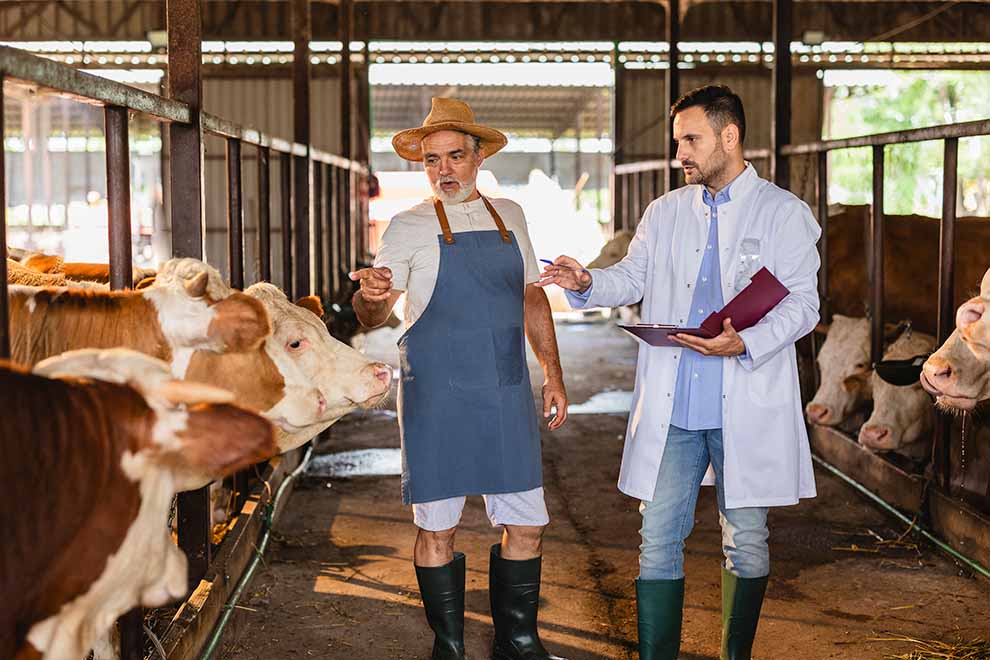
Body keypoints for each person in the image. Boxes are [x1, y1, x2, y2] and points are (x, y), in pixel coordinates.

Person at [539, 84, 821, 660]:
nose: (681, 155)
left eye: (691, 140)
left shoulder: (783, 212)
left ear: (730, 136)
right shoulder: (665, 212)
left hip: (745, 397)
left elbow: (804, 305)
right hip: (677, 408)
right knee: (657, 538)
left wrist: (747, 342)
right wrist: (588, 282)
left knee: (746, 540)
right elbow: (633, 278)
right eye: (677, 143)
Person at [350, 97, 569, 660]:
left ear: (478, 158)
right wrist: (369, 298)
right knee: (437, 529)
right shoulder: (406, 227)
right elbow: (374, 312)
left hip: (505, 388)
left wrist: (552, 373)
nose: (443, 170)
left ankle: (518, 641)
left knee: (526, 522)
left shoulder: (511, 216)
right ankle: (448, 646)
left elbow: (531, 296)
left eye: (453, 156)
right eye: (431, 160)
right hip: (436, 396)